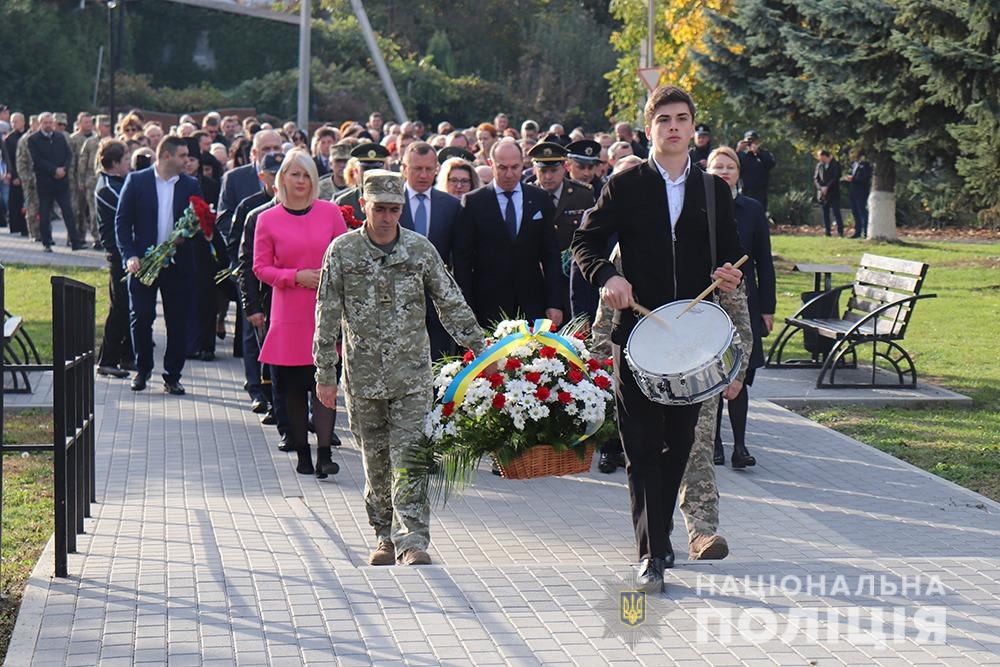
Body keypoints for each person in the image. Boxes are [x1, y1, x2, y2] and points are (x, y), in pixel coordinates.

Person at [571, 86, 745, 593]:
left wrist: (730, 274)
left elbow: (734, 253)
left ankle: (661, 537)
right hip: (639, 336)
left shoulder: (715, 191)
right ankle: (650, 554)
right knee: (643, 445)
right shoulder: (625, 185)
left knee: (681, 444)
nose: (673, 126)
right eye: (664, 119)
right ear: (649, 129)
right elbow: (585, 240)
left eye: (682, 118)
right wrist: (607, 276)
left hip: (693, 342)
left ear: (693, 128)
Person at [313, 169, 487, 567]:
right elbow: (326, 313)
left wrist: (479, 346)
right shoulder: (342, 252)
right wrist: (325, 372)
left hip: (411, 376)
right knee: (376, 461)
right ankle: (383, 535)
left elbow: (449, 300)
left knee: (410, 456)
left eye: (394, 209)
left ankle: (412, 540)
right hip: (362, 376)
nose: (387, 217)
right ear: (364, 206)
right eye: (380, 209)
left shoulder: (420, 250)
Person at [590, 239, 753, 562]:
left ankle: (702, 530)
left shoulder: (709, 239)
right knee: (647, 449)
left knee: (697, 444)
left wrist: (738, 368)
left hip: (698, 361)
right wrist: (599, 362)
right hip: (643, 363)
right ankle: (656, 530)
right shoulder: (631, 244)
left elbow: (735, 306)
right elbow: (608, 310)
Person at [253, 148, 347, 478]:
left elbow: (344, 255)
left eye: (307, 174)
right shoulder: (266, 219)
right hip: (288, 313)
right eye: (295, 174)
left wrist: (329, 275)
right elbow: (260, 267)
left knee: (324, 383)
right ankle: (302, 453)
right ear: (282, 179)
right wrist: (295, 276)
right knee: (293, 388)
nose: (301, 181)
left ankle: (324, 453)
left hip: (325, 311)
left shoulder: (330, 213)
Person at [115, 136, 203, 394]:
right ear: (166, 156)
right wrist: (129, 255)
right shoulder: (137, 180)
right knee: (141, 317)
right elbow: (121, 222)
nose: (187, 161)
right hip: (143, 263)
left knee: (177, 322)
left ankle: (172, 375)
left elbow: (197, 220)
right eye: (183, 156)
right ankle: (142, 370)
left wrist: (186, 234)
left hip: (179, 265)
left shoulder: (191, 184)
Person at [706, 146, 776, 469]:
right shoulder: (699, 207)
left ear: (738, 173)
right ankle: (715, 443)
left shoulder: (751, 209)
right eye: (717, 166)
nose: (723, 171)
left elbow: (764, 261)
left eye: (729, 166)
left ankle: (740, 446)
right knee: (713, 372)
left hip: (745, 302)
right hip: (707, 302)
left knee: (741, 371)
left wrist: (767, 308)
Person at [453, 139, 564, 328]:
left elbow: (550, 255)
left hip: (532, 302)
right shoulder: (474, 202)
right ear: (491, 164)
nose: (509, 174)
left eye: (515, 167)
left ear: (523, 164)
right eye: (502, 167)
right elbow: (462, 259)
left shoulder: (539, 199)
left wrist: (555, 302)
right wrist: (466, 306)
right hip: (487, 304)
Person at [398, 142, 462, 360]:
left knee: (438, 367)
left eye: (429, 169)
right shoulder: (390, 204)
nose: (424, 175)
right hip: (397, 305)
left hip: (438, 305)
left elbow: (459, 256)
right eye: (417, 168)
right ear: (404, 168)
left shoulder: (451, 206)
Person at [527, 141, 595, 315]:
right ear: (535, 170)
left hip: (571, 277)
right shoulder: (527, 196)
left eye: (553, 170)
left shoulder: (583, 195)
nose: (548, 176)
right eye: (543, 171)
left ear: (565, 167)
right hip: (539, 278)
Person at [94, 139, 134, 378]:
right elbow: (128, 211)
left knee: (127, 306)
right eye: (126, 159)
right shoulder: (108, 188)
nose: (129, 163)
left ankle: (126, 356)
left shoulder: (118, 182)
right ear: (114, 163)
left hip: (124, 253)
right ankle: (107, 360)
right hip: (118, 255)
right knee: (119, 307)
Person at [28, 112, 84, 252]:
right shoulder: (34, 139)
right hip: (45, 182)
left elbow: (68, 155)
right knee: (45, 214)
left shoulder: (60, 137)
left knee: (68, 211)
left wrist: (63, 169)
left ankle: (75, 242)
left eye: (50, 122)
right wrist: (54, 170)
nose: (48, 125)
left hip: (61, 182)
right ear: (40, 123)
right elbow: (37, 160)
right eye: (45, 122)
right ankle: (47, 242)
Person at [217, 129, 283, 240]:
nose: (272, 153)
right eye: (266, 149)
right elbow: (224, 220)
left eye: (276, 148)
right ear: (254, 153)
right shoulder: (234, 178)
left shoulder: (292, 176)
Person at [333, 143, 390, 223]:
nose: (371, 173)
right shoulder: (344, 202)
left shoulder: (395, 198)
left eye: (376, 168)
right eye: (366, 169)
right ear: (356, 171)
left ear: (385, 170)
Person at [737, 130, 776, 212]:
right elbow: (733, 165)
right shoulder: (741, 155)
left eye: (753, 141)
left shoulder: (764, 154)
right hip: (745, 191)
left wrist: (758, 152)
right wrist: (738, 150)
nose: (751, 143)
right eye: (749, 141)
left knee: (759, 213)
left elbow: (771, 164)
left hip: (760, 192)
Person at [4, 112, 27, 235]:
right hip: (15, 175)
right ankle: (16, 226)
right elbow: (8, 160)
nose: (14, 124)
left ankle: (27, 227)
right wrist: (13, 176)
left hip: (28, 176)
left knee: (27, 201)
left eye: (16, 121)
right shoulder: (9, 139)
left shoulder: (29, 136)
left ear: (23, 122)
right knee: (15, 202)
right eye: (12, 121)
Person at [814, 149, 844, 236]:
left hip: (833, 192)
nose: (820, 159)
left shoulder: (835, 164)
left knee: (836, 212)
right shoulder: (819, 165)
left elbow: (835, 177)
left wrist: (827, 187)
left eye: (821, 157)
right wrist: (821, 188)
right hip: (823, 193)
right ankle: (827, 232)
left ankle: (840, 231)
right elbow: (816, 178)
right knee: (825, 213)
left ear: (825, 156)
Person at [847, 148, 872, 238]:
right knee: (855, 212)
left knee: (862, 212)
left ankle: (866, 232)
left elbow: (865, 178)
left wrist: (853, 179)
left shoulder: (865, 165)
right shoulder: (854, 164)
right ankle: (857, 232)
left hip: (861, 191)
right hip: (853, 191)